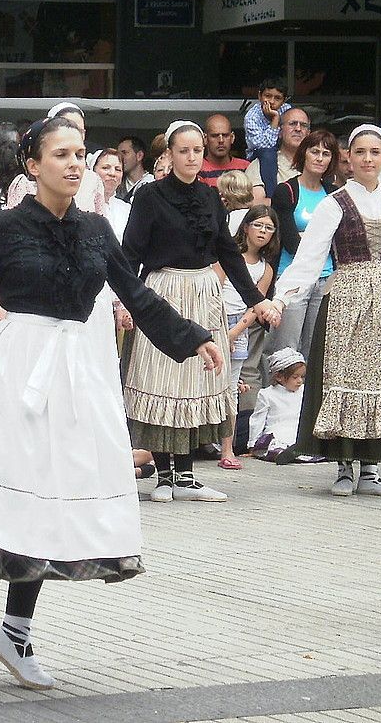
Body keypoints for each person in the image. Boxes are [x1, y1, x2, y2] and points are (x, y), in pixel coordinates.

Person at [0, 114, 221, 689]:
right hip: (16, 363)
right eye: (62, 154)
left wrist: (191, 337)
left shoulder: (97, 228)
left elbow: (136, 295)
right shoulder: (5, 226)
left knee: (48, 501)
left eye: (80, 154)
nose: (75, 163)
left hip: (76, 371)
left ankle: (15, 635)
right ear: (32, 165)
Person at [122, 121, 282, 504]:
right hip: (164, 291)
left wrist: (255, 300)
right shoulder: (149, 197)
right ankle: (163, 475)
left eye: (197, 150)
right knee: (164, 380)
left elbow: (228, 252)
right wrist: (127, 303)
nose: (192, 157)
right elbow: (129, 253)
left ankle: (188, 476)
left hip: (205, 290)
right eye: (184, 151)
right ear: (169, 155)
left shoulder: (211, 198)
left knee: (198, 382)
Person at [274, 125, 381, 498]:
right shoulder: (335, 203)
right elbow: (309, 257)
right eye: (360, 152)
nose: (367, 159)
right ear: (349, 158)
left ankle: (372, 470)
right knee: (345, 376)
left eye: (375, 153)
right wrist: (283, 297)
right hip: (347, 294)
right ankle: (345, 468)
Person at [265, 130, 339, 356]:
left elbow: (339, 239)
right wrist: (320, 236)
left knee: (315, 351)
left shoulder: (334, 194)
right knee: (284, 350)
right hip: (292, 277)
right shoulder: (286, 191)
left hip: (326, 278)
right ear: (303, 154)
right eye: (314, 151)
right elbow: (291, 243)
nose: (319, 158)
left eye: (325, 153)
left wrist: (307, 234)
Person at [219, 205, 278, 468]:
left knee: (231, 388)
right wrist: (220, 329)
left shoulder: (265, 269)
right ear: (246, 227)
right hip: (215, 320)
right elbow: (214, 288)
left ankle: (227, 448)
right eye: (258, 225)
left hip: (239, 326)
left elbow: (256, 305)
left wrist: (235, 332)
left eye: (269, 228)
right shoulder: (227, 256)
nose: (263, 232)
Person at [248, 349, 308, 462]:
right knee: (273, 446)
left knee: (304, 443)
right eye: (295, 377)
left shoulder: (304, 391)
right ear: (279, 377)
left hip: (297, 431)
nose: (300, 381)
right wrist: (252, 444)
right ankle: (281, 455)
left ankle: (298, 452)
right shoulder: (267, 394)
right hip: (277, 431)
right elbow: (257, 420)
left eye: (302, 377)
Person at [241, 78, 287, 196]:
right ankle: (272, 195)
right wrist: (275, 119)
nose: (271, 101)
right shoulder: (251, 117)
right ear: (259, 96)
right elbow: (265, 146)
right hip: (258, 153)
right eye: (267, 96)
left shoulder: (287, 110)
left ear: (284, 100)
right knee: (268, 153)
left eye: (277, 98)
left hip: (283, 151)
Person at [198, 114, 248, 187]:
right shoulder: (197, 168)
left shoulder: (246, 168)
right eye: (214, 136)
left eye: (225, 135)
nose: (221, 140)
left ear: (232, 137)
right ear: (205, 138)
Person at [91, 150, 130, 240]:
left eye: (118, 169)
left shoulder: (127, 209)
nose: (112, 173)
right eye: (105, 168)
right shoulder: (81, 203)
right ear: (93, 170)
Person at [115, 136, 151, 202]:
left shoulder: (152, 183)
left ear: (139, 156)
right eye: (118, 154)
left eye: (124, 153)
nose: (120, 158)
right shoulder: (115, 185)